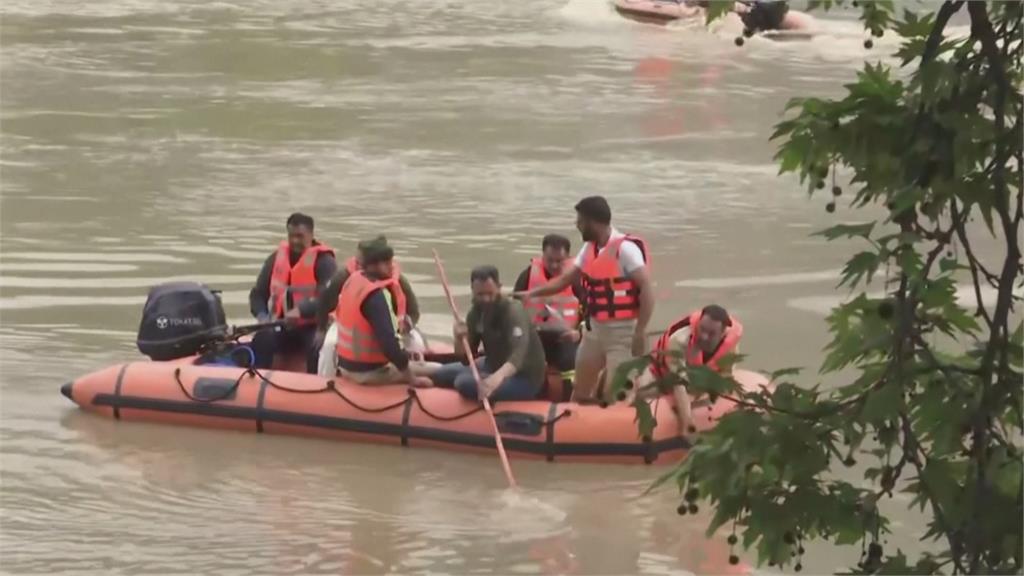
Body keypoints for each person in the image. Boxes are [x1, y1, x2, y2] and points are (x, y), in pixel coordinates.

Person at [516, 196, 654, 403]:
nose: (577, 225)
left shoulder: (625, 250)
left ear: (593, 222)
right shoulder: (589, 249)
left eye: (580, 221)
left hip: (622, 332)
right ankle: (574, 423)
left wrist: (640, 331)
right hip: (594, 331)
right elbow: (565, 280)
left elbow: (647, 288)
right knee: (581, 387)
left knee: (616, 392)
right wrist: (532, 294)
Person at [432, 266, 546, 403]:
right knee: (442, 373)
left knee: (463, 382)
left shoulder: (513, 310)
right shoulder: (475, 313)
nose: (486, 299)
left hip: (523, 376)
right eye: (480, 295)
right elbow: (465, 359)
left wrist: (496, 378)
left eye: (490, 293)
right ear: (473, 291)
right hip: (492, 365)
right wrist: (459, 338)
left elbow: (518, 354)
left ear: (499, 287)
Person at [334, 241, 437, 387]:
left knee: (421, 365)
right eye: (387, 262)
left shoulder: (353, 281)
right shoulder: (376, 295)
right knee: (439, 371)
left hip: (346, 367)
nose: (392, 266)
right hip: (371, 373)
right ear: (373, 266)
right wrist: (412, 378)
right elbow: (389, 345)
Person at [314, 236, 421, 374]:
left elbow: (414, 311)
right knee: (329, 345)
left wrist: (408, 323)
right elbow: (325, 301)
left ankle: (413, 384)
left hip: (394, 326)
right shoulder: (343, 276)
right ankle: (325, 379)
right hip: (352, 325)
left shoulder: (398, 280)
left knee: (416, 344)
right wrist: (321, 329)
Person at [634, 304, 744, 438]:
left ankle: (695, 404)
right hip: (661, 373)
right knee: (643, 392)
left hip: (699, 377)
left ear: (722, 333)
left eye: (711, 333)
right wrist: (687, 422)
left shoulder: (730, 343)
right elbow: (679, 384)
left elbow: (725, 379)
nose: (704, 336)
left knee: (724, 390)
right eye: (702, 329)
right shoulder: (679, 339)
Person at [248, 213, 337, 373]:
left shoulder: (324, 262)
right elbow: (257, 294)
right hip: (281, 325)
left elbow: (329, 298)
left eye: (300, 236)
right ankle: (256, 381)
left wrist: (301, 311)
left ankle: (314, 386)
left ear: (311, 235)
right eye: (291, 236)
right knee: (262, 338)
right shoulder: (275, 259)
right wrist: (262, 316)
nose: (295, 241)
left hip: (313, 326)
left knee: (316, 346)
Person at [512, 234, 585, 400]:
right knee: (530, 361)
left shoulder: (577, 279)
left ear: (568, 258)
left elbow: (591, 311)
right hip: (535, 336)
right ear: (542, 255)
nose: (554, 265)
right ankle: (537, 398)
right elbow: (514, 310)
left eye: (559, 261)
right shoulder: (527, 276)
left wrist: (579, 333)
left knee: (569, 360)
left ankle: (569, 402)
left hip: (566, 337)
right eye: (549, 260)